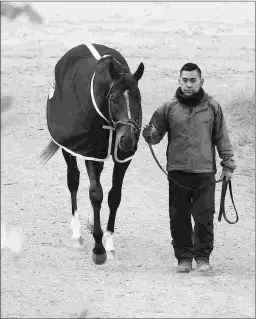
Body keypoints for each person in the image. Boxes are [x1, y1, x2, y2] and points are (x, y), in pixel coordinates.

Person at [142, 63, 236, 273]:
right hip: (177, 173)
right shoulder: (168, 108)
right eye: (185, 80)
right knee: (179, 217)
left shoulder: (212, 107)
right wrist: (149, 133)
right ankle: (184, 258)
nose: (189, 84)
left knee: (204, 217)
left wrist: (228, 165)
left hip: (204, 173)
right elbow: (154, 137)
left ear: (201, 82)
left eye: (193, 80)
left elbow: (222, 137)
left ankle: (202, 258)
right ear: (179, 81)